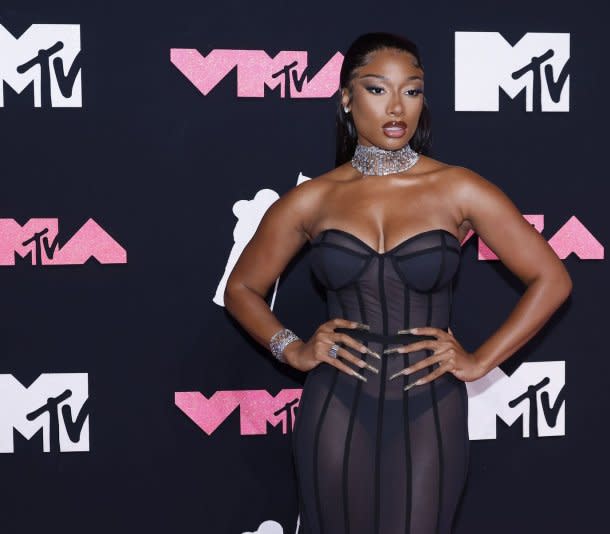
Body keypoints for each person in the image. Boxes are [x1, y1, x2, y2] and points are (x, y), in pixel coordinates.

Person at [224, 32, 572, 534]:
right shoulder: (312, 199)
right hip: (335, 405)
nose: (396, 107)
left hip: (430, 406)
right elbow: (241, 288)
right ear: (346, 98)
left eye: (411, 91)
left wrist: (478, 360)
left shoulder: (458, 188)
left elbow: (552, 278)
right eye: (376, 89)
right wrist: (293, 348)